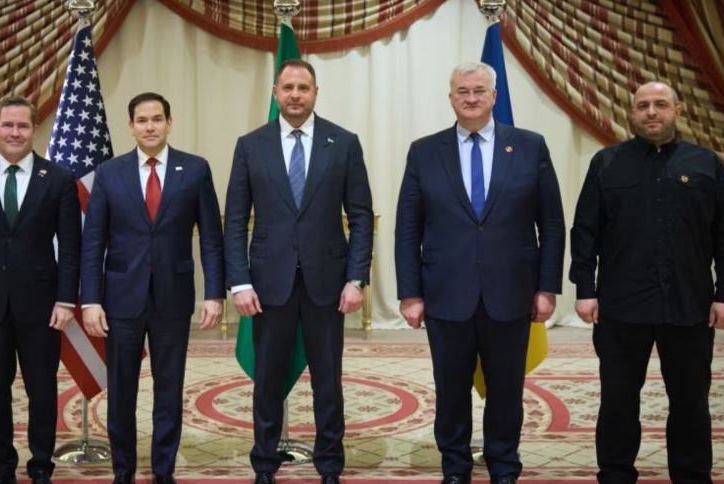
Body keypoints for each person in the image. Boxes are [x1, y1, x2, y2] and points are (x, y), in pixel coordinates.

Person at [394, 62, 565, 484]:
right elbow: (408, 227)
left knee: (506, 389)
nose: (470, 98)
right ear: (450, 97)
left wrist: (547, 287)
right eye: (462, 91)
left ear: (494, 96)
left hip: (511, 292)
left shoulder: (529, 146)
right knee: (451, 389)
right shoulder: (424, 151)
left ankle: (504, 466)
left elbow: (551, 223)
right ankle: (455, 467)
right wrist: (410, 293)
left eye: (479, 91)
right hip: (445, 292)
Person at [570, 81, 724, 484]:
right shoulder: (607, 163)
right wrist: (585, 289)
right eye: (643, 105)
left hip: (689, 305)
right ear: (631, 113)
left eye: (661, 104)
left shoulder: (706, 164)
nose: (651, 111)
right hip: (620, 306)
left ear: (677, 111)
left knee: (690, 400)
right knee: (617, 399)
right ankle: (615, 473)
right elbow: (586, 231)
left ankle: (691, 474)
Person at [224, 59, 374, 484]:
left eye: (303, 88)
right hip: (267, 285)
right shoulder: (250, 145)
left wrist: (356, 278)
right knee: (267, 381)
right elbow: (234, 219)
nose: (294, 95)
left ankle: (330, 464)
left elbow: (361, 216)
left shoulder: (343, 143)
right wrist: (239, 281)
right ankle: (264, 463)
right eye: (287, 87)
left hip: (328, 284)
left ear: (315, 93)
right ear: (275, 92)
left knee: (328, 381)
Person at [80, 92, 225, 484]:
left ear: (169, 123)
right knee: (121, 392)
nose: (150, 127)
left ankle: (164, 470)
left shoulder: (195, 169)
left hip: (173, 300)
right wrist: (90, 300)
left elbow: (212, 238)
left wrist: (214, 294)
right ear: (131, 127)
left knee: (169, 390)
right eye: (142, 120)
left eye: (157, 119)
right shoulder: (109, 173)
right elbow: (92, 242)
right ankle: (123, 471)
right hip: (120, 300)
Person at [0, 95, 81, 484]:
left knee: (42, 391)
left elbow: (70, 248)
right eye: (7, 125)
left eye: (23, 126)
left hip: (43, 307)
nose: (15, 133)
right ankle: (1, 464)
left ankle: (41, 465)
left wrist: (65, 299)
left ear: (34, 129)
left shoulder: (58, 179)